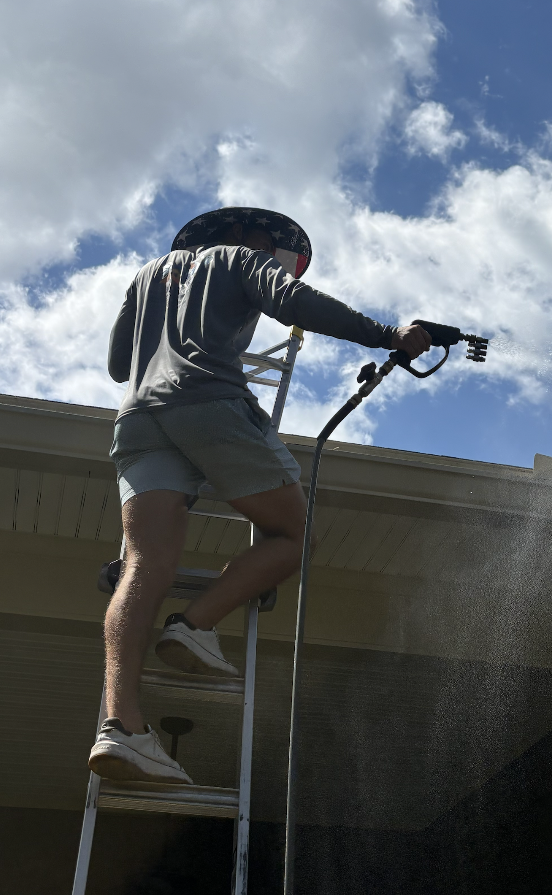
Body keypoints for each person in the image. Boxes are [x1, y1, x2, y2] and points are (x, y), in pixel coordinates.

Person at [88, 207, 431, 785]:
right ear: (242, 236)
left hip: (139, 421)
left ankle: (121, 727)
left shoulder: (145, 275)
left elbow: (119, 365)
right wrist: (386, 334)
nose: (273, 255)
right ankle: (195, 625)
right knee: (296, 537)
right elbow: (292, 301)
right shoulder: (237, 258)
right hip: (209, 406)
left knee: (142, 563)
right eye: (270, 245)